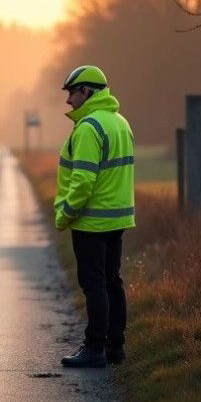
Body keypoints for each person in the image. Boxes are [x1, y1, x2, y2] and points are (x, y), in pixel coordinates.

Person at [55, 65, 135, 368]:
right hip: (117, 219)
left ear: (87, 91)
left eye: (71, 93)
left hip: (91, 219)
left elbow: (84, 181)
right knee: (113, 281)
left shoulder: (89, 127)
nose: (68, 101)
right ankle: (116, 347)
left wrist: (66, 214)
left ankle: (94, 348)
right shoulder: (119, 122)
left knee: (94, 284)